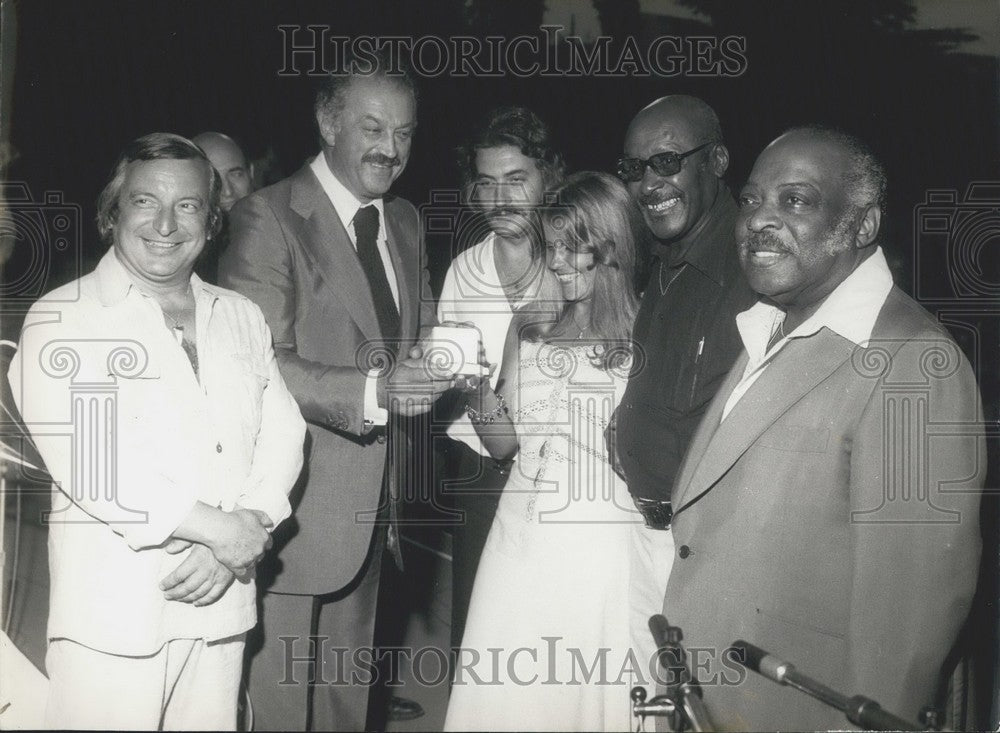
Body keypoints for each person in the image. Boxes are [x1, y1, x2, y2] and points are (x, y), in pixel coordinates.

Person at [661, 127, 985, 730]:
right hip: (709, 699)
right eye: (753, 199)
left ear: (861, 226)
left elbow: (909, 619)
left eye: (796, 201)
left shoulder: (909, 362)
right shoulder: (771, 327)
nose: (759, 220)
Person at [8, 132, 306, 730]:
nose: (167, 224)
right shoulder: (63, 318)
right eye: (145, 202)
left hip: (222, 610)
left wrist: (249, 527)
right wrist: (226, 532)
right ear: (112, 211)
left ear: (212, 218)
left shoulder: (241, 316)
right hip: (113, 621)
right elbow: (96, 468)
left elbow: (285, 434)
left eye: (189, 205)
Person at [218, 51, 447, 730]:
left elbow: (422, 331)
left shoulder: (402, 220)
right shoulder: (268, 217)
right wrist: (378, 391)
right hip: (294, 513)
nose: (391, 148)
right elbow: (259, 366)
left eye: (404, 133)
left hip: (381, 512)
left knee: (348, 706)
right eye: (373, 127)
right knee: (283, 709)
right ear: (326, 120)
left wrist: (450, 360)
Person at [444, 172, 644, 732]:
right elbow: (504, 440)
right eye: (552, 244)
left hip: (596, 553)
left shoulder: (646, 332)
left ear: (614, 247)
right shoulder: (530, 322)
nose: (558, 261)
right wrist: (472, 382)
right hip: (514, 541)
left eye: (576, 246)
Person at [612, 95, 756, 678]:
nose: (649, 182)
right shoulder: (661, 259)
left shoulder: (753, 268)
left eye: (667, 161)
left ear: (717, 160)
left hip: (709, 564)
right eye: (634, 167)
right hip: (649, 548)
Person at [436, 105, 564, 654]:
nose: (502, 199)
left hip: (564, 475)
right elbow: (450, 376)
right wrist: (466, 379)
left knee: (551, 631)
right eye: (486, 183)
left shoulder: (577, 260)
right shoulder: (464, 268)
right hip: (483, 472)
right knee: (478, 632)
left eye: (517, 180)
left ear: (548, 178)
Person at [191, 131, 254, 283]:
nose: (227, 192)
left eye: (236, 174)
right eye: (213, 180)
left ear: (251, 172)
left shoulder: (283, 234)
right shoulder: (186, 258)